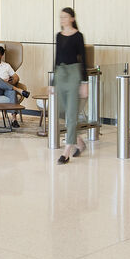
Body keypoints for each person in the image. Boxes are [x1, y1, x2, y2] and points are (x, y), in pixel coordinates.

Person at [53, 8, 89, 164]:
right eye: (60, 17)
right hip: (61, 73)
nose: (62, 20)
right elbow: (56, 59)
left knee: (72, 112)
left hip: (74, 74)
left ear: (72, 19)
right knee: (62, 112)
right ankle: (79, 142)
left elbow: (84, 60)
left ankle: (66, 151)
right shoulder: (59, 36)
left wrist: (84, 82)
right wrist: (53, 83)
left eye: (65, 17)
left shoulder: (78, 36)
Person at [0, 44, 29, 127]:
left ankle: (14, 119)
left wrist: (11, 81)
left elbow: (16, 77)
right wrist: (2, 81)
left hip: (6, 88)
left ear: (2, 56)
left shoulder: (7, 65)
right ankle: (19, 90)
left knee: (12, 92)